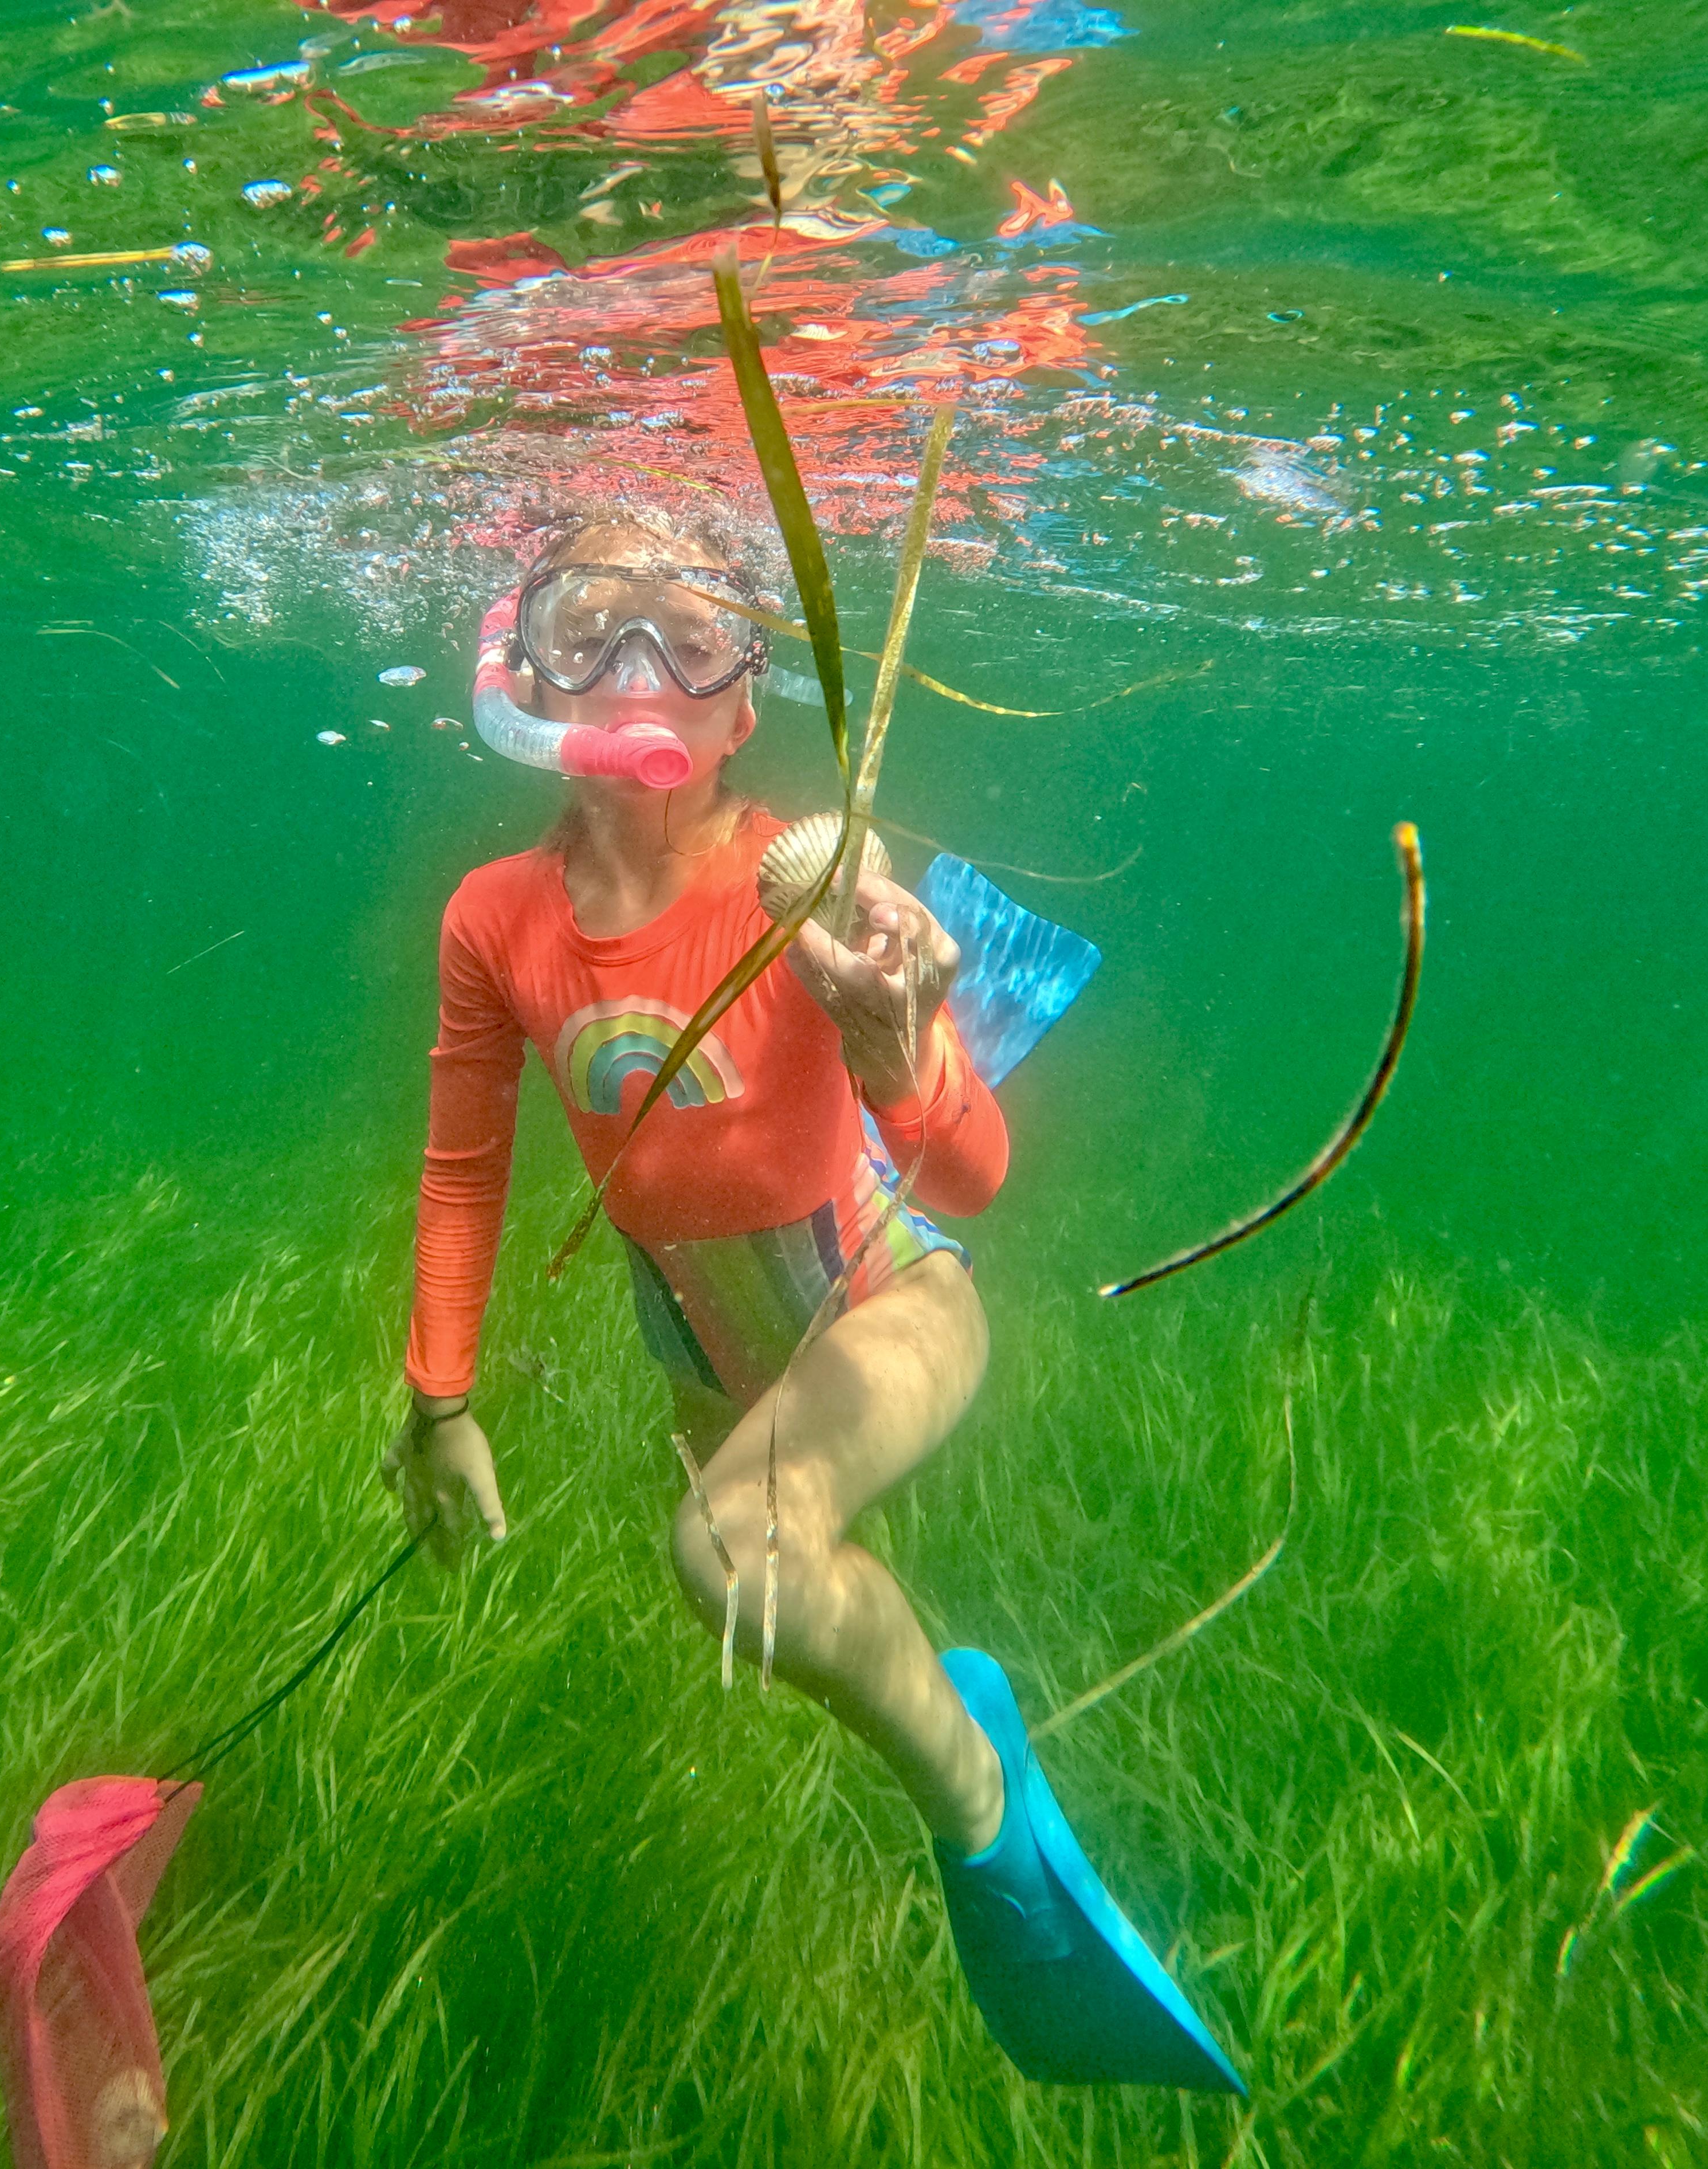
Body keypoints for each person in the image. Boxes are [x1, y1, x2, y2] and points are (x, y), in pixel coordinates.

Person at [378, 509, 1242, 2093]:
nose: (639, 671)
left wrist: (896, 1030)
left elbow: (968, 1172)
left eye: (686, 631)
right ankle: (941, 1680)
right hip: (694, 1322)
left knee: (729, 1548)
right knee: (770, 1562)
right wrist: (436, 1400)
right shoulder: (491, 920)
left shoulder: (816, 889)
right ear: (522, 667)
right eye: (592, 628)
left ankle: (987, 1821)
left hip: (881, 1290)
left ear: (743, 689)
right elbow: (460, 1169)